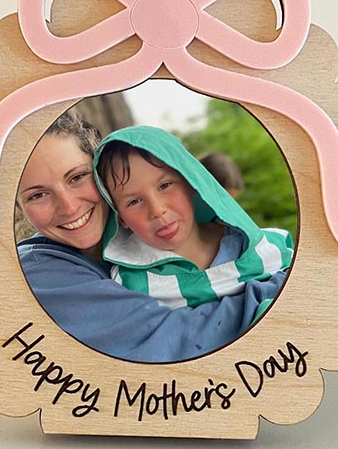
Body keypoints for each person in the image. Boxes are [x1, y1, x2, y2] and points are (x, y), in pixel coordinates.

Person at [15, 112, 286, 362]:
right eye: (37, 195)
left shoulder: (252, 244)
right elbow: (174, 339)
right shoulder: (40, 273)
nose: (69, 206)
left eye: (77, 177)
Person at [94, 126, 292, 313]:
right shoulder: (128, 286)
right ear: (121, 218)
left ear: (192, 181)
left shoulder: (272, 245)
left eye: (165, 185)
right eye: (134, 201)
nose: (157, 210)